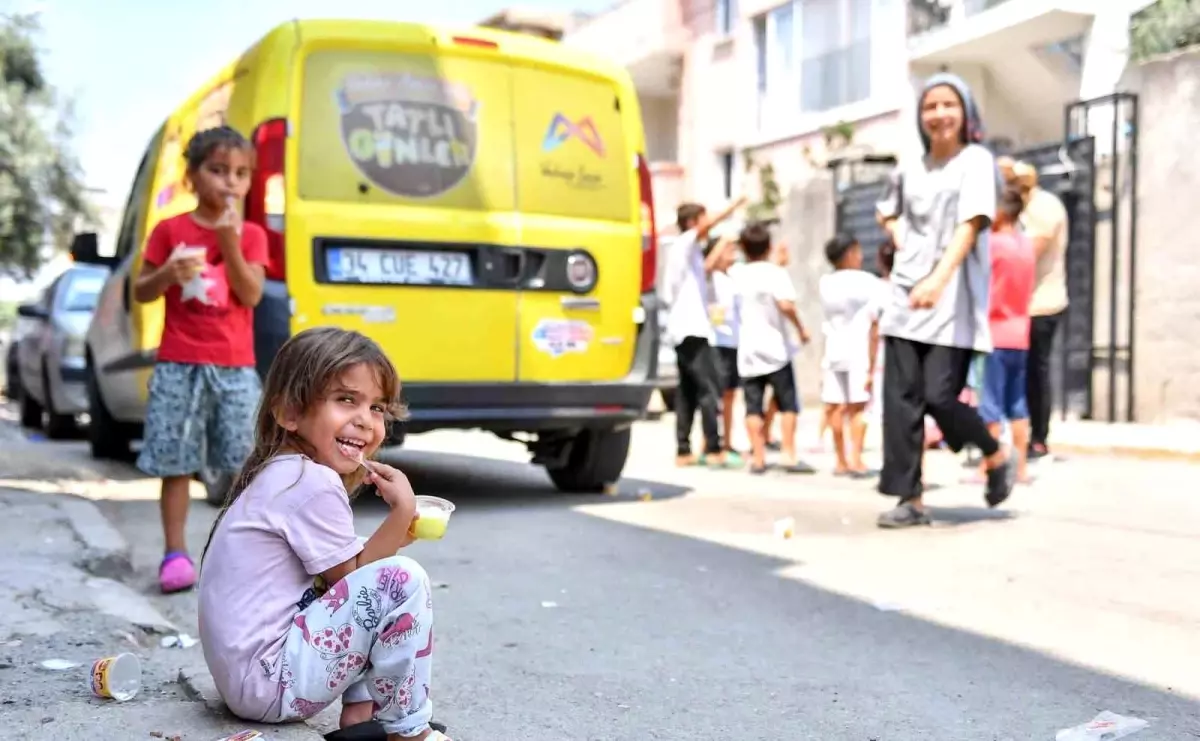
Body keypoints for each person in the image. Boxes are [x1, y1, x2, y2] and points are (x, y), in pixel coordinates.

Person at [198, 327, 451, 741]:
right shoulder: (309, 481)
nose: (365, 421)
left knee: (370, 586)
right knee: (402, 581)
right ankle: (409, 732)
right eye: (346, 400)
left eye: (377, 408)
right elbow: (352, 580)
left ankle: (361, 714)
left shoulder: (284, 472)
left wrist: (394, 534)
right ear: (289, 414)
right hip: (268, 683)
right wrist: (403, 509)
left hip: (249, 681)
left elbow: (344, 579)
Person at [874, 72, 1015, 528]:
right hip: (903, 298)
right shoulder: (909, 166)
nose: (938, 114)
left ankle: (994, 452)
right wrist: (903, 242)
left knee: (939, 396)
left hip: (950, 299)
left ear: (966, 112)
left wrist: (937, 278)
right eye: (930, 106)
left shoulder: (975, 161)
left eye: (948, 105)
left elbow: (971, 225)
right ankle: (909, 499)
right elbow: (887, 210)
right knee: (901, 402)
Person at [133, 126, 268, 593]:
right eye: (217, 170)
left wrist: (229, 242)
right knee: (177, 461)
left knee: (244, 463)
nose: (230, 182)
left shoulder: (250, 235)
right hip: (178, 363)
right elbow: (141, 291)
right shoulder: (170, 231)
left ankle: (242, 556)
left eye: (241, 174)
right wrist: (169, 271)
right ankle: (175, 553)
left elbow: (250, 294)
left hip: (233, 366)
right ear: (192, 177)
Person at [663, 198, 746, 468]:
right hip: (692, 330)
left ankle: (683, 449)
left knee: (687, 392)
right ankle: (713, 447)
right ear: (691, 223)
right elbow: (706, 227)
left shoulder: (690, 253)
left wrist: (722, 241)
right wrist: (733, 207)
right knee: (710, 389)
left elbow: (708, 265)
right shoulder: (684, 243)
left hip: (686, 329)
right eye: (703, 218)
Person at [727, 223, 812, 474]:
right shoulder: (775, 273)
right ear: (769, 246)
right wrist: (801, 328)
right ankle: (787, 452)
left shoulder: (737, 274)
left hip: (748, 350)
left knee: (753, 404)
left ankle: (758, 457)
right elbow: (785, 305)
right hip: (776, 348)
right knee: (787, 404)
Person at [977, 188, 1037, 484]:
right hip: (1020, 331)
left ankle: (989, 466)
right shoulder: (1026, 246)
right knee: (1017, 404)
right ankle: (1022, 467)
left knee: (990, 404)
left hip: (994, 331)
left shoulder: (992, 245)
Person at [1013, 161, 1069, 460]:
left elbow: (1029, 252)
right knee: (1019, 371)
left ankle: (1038, 437)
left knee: (1036, 371)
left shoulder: (1043, 207)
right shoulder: (1021, 208)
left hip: (1041, 303)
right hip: (1019, 305)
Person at [818, 233, 881, 476]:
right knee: (858, 407)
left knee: (834, 406)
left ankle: (840, 459)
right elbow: (875, 321)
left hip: (834, 347)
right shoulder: (868, 282)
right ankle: (856, 457)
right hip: (858, 348)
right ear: (849, 254)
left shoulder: (826, 282)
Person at [706, 234, 744, 467]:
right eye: (727, 250)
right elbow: (708, 264)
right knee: (715, 396)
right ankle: (709, 440)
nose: (731, 253)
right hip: (716, 341)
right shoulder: (710, 276)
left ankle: (728, 441)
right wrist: (722, 240)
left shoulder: (734, 277)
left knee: (730, 394)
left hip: (733, 342)